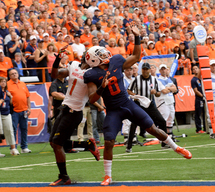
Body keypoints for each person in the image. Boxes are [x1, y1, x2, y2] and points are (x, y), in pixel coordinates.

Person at [83, 27, 192, 186]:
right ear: (94, 60)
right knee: (108, 142)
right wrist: (102, 87)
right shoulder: (91, 75)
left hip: (127, 103)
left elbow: (135, 56)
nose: (105, 54)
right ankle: (108, 176)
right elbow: (92, 98)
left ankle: (176, 148)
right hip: (113, 110)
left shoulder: (116, 61)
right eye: (100, 54)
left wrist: (137, 37)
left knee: (152, 129)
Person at [48, 53, 100, 186]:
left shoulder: (91, 74)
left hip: (74, 111)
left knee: (57, 144)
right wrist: (57, 60)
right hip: (65, 109)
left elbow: (92, 95)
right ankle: (86, 144)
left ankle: (64, 177)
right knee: (53, 143)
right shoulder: (73, 65)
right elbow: (55, 74)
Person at [127, 62, 168, 151]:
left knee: (162, 121)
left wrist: (155, 92)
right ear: (142, 70)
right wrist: (136, 96)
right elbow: (128, 90)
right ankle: (129, 146)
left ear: (150, 70)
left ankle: (164, 143)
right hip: (139, 104)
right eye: (143, 69)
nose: (145, 71)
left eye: (146, 69)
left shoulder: (154, 79)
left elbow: (158, 94)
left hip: (149, 104)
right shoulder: (136, 79)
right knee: (134, 124)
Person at [7, 69, 31, 153]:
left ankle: (24, 147)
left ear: (18, 74)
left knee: (24, 129)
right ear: (9, 76)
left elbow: (28, 96)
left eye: (15, 73)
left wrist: (29, 108)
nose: (14, 75)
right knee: (13, 129)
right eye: (12, 74)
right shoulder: (7, 84)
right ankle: (13, 148)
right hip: (14, 110)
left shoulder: (23, 83)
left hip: (24, 110)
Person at [0, 77, 19, 155]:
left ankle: (13, 148)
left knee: (9, 130)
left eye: (4, 81)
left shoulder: (6, 92)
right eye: (1, 82)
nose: (3, 83)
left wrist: (10, 97)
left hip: (6, 112)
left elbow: (10, 103)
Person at [191, 65, 206, 134]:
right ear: (192, 71)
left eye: (196, 68)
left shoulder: (202, 79)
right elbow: (195, 91)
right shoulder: (193, 80)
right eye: (194, 69)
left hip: (204, 98)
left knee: (205, 114)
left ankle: (206, 128)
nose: (195, 70)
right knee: (198, 114)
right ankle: (198, 129)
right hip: (199, 99)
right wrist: (203, 96)